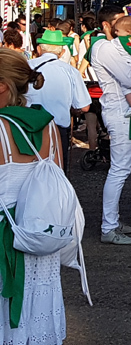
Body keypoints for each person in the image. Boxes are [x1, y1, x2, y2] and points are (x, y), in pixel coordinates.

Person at [0, 49, 68, 343]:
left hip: (6, 241)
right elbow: (58, 182)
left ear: (2, 84)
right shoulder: (48, 125)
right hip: (40, 237)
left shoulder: (1, 128)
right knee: (36, 311)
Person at [91, 6, 131, 245]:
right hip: (121, 113)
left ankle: (113, 222)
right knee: (119, 170)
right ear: (108, 26)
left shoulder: (120, 46)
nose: (127, 31)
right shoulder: (104, 47)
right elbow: (129, 78)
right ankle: (108, 227)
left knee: (122, 169)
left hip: (127, 112)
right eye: (120, 25)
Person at [25, 29, 91, 171]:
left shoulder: (27, 66)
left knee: (28, 169)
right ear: (61, 52)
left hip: (28, 125)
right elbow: (85, 107)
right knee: (57, 171)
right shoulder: (70, 71)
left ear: (39, 49)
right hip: (57, 128)